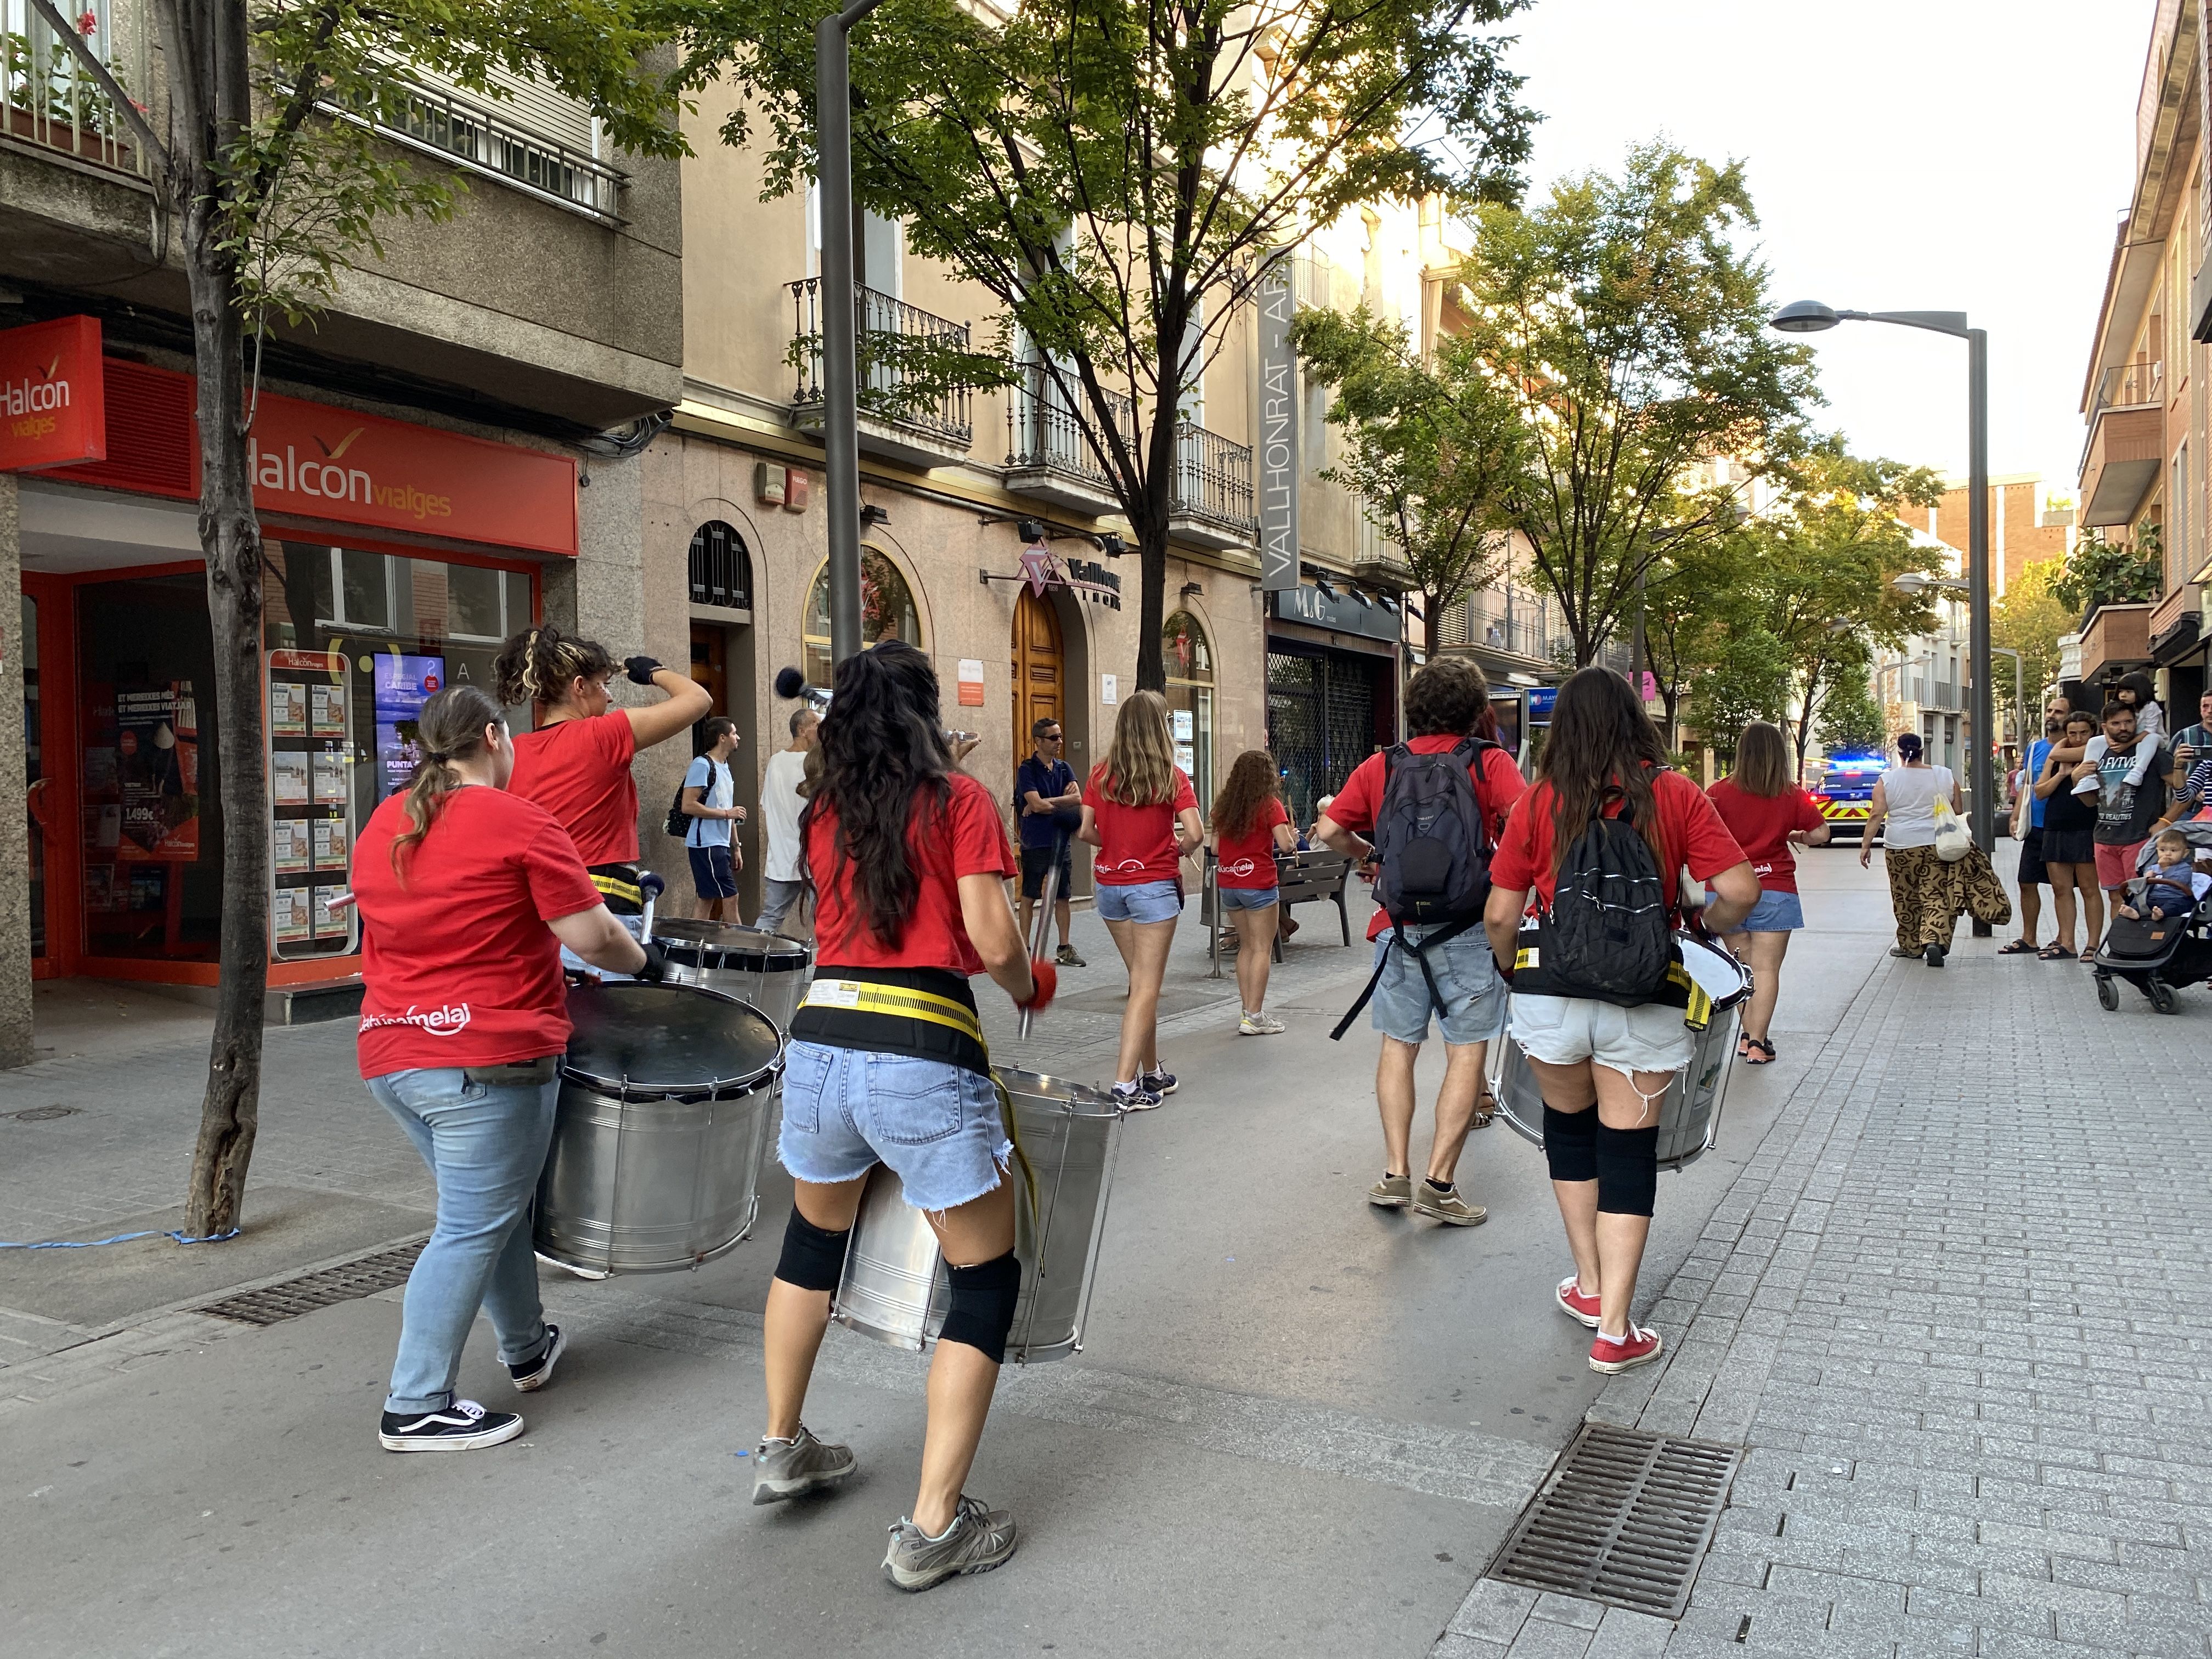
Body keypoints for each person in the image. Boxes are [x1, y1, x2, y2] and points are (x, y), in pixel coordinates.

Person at [749, 640, 1052, 1592]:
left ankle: (780, 1441)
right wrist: (1030, 981)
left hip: (821, 1035)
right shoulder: (957, 800)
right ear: (926, 715)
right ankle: (933, 1525)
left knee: (810, 1243)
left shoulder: (828, 806)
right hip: (919, 1045)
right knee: (984, 1278)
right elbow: (995, 935)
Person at [349, 685, 662, 1452]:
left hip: (395, 1055)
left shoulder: (387, 821)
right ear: (493, 736)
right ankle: (415, 1403)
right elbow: (592, 936)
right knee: (469, 1225)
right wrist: (646, 960)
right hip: (486, 1059)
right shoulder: (521, 820)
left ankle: (526, 1346)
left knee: (496, 1214)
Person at [1481, 667, 1758, 1374]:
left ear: (1562, 729)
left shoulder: (1539, 801)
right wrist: (1701, 920)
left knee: (1568, 1134)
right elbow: (1741, 892)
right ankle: (1615, 1328)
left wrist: (1516, 973)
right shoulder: (1673, 794)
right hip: (1645, 994)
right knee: (1627, 1154)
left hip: (1551, 995)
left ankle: (1589, 1282)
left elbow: (1500, 915)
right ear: (1635, 721)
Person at [1317, 657, 1526, 1224]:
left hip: (1400, 931)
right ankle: (1439, 1182)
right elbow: (1529, 831)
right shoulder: (1492, 763)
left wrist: (1373, 856)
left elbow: (1331, 830)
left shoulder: (1384, 765)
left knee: (1397, 1048)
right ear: (1476, 710)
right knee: (1465, 1052)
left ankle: (1395, 1173)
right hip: (1467, 930)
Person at [495, 624, 712, 944]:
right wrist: (654, 672)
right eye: (604, 686)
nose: (609, 697)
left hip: (536, 907)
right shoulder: (604, 735)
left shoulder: (513, 751)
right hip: (601, 904)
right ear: (580, 687)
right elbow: (699, 699)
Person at [1079, 691, 1203, 1110]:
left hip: (1110, 884)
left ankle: (1151, 1073)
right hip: (1153, 886)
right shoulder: (1171, 776)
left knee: (1139, 983)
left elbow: (1086, 832)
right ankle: (1125, 1086)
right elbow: (1197, 833)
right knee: (1147, 986)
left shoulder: (1099, 776)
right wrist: (1177, 851)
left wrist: (1114, 843)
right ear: (1160, 728)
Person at [1704, 721, 1829, 1065]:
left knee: (1741, 968)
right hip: (1776, 888)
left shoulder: (1718, 792)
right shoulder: (1790, 793)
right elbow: (1821, 834)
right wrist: (1796, 836)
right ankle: (1758, 1042)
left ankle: (1747, 1036)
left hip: (1728, 890)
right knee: (1767, 970)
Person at [1209, 749, 1298, 1035]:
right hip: (1258, 882)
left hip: (1230, 883)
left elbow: (1214, 849)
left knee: (1246, 946)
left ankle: (1247, 1011)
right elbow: (1286, 846)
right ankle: (1255, 1016)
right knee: (1262, 948)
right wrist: (1293, 837)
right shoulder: (1271, 805)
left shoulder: (1223, 807)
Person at [1860, 733, 1961, 966]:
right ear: (1922, 750)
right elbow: (1957, 809)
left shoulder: (1888, 780)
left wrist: (1866, 846)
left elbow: (1876, 814)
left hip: (1900, 847)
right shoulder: (1944, 775)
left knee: (1905, 896)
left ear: (1900, 752)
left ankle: (1911, 946)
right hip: (1938, 844)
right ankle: (1934, 939)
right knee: (1935, 894)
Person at [2073, 701, 2178, 902]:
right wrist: (2076, 779)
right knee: (2116, 898)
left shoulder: (2151, 752)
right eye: (2116, 723)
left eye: (2128, 722)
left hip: (2139, 837)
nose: (2123, 728)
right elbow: (2090, 802)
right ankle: (2119, 936)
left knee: (2141, 898)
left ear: (2136, 722)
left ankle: (2138, 935)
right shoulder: (2099, 751)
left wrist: (2165, 822)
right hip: (2104, 838)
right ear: (2104, 727)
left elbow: (2185, 792)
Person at [2001, 698, 2070, 956]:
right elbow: (2027, 784)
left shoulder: (2078, 748)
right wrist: (2016, 815)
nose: (2052, 715)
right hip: (2036, 826)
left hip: (2063, 826)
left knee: (2061, 886)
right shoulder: (2035, 748)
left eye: (2059, 712)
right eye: (2050, 710)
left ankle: (2064, 938)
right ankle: (2029, 938)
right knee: (2026, 882)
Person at [1015, 716, 1085, 968]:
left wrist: (1047, 804)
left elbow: (1078, 799)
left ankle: (1064, 948)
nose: (1060, 742)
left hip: (1061, 841)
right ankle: (1024, 948)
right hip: (1036, 842)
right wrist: (1047, 804)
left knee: (1063, 897)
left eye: (1060, 736)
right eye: (1053, 738)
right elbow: (1035, 804)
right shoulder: (1027, 769)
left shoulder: (1065, 768)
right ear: (1039, 741)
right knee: (1029, 895)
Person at [2034, 710, 2103, 961]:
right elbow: (2039, 792)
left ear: (2093, 732)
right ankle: (2067, 942)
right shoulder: (2056, 760)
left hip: (2086, 826)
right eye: (2072, 733)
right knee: (2061, 889)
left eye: (2084, 732)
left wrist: (2063, 753)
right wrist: (2062, 774)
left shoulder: (2097, 755)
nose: (2077, 737)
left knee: (2088, 888)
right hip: (2055, 825)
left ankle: (2094, 944)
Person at [757, 707, 819, 936]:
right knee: (825, 918)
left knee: (770, 918)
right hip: (813, 859)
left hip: (781, 859)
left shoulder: (775, 762)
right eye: (816, 724)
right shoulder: (813, 764)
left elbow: (766, 804)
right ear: (802, 730)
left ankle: (751, 964)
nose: (821, 729)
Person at [681, 716, 745, 922]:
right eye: (734, 733)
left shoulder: (725, 767)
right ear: (722, 738)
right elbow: (688, 805)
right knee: (731, 896)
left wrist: (735, 846)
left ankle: (695, 949)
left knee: (706, 899)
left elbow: (729, 810)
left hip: (719, 844)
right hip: (706, 843)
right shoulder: (702, 765)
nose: (738, 738)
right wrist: (727, 814)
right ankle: (737, 950)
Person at [2072, 670, 2164, 797]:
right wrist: (2110, 742)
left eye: (2129, 692)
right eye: (2121, 691)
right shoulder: (2123, 707)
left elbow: (2150, 731)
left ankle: (2138, 771)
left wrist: (2127, 745)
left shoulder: (2151, 707)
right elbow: (2106, 727)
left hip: (2152, 740)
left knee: (2151, 739)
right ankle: (2090, 778)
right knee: (2095, 741)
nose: (2123, 695)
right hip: (2131, 738)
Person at [2115, 827, 2209, 920]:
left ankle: (2161, 913)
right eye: (2163, 850)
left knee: (2179, 904)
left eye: (2173, 851)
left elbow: (2178, 881)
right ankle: (2134, 911)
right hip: (2154, 898)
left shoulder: (2185, 868)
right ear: (2157, 851)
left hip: (2175, 897)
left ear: (2185, 853)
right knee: (2138, 898)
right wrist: (2147, 877)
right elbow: (2144, 883)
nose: (2167, 854)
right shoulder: (2154, 867)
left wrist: (2165, 868)